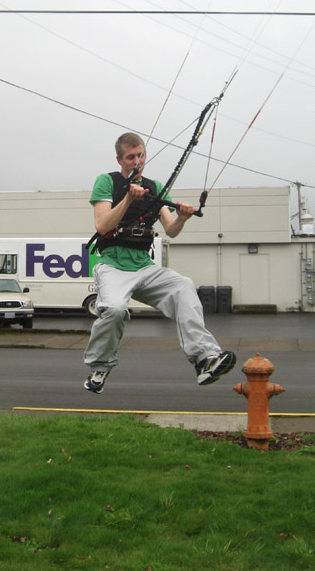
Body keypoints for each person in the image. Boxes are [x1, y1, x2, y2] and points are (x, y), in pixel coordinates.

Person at [83, 132, 236, 394]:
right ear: (120, 159)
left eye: (140, 155)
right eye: (130, 157)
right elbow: (102, 224)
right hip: (113, 265)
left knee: (183, 286)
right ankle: (100, 366)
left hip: (144, 265)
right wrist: (129, 199)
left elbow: (171, 229)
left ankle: (205, 359)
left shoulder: (155, 187)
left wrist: (183, 218)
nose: (136, 161)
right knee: (115, 308)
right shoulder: (107, 181)